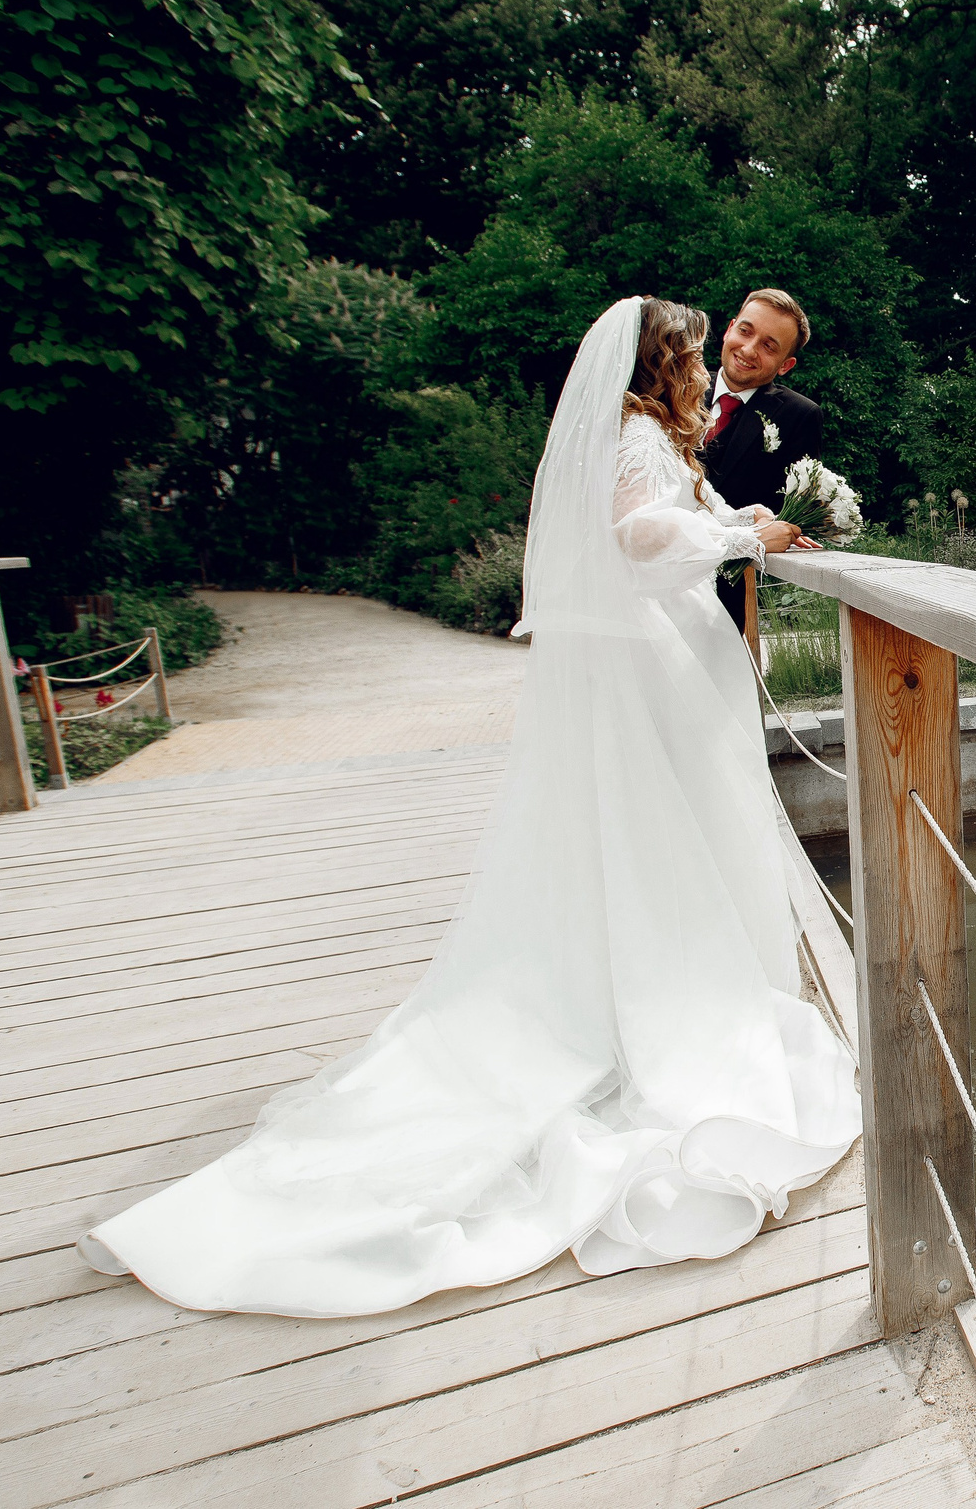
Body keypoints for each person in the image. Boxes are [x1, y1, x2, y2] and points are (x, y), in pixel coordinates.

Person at [76, 297, 860, 1318]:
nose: (712, 362)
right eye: (698, 350)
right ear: (662, 363)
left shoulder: (672, 430)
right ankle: (645, 1000)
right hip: (645, 668)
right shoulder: (633, 434)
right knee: (649, 840)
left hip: (660, 665)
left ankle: (647, 974)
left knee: (660, 840)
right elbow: (634, 535)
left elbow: (673, 518)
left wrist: (743, 526)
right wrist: (734, 538)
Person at [701, 288, 822, 632]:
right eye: (745, 330)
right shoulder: (674, 386)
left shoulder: (801, 416)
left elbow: (790, 510)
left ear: (786, 365)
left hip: (726, 596)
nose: (749, 350)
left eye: (769, 346)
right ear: (729, 328)